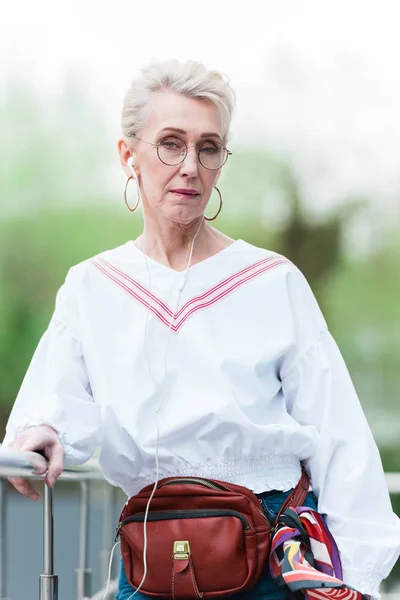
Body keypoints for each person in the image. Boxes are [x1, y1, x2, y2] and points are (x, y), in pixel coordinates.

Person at [3, 59, 400, 600]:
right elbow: (52, 406)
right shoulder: (91, 287)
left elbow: (339, 434)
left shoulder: (271, 280)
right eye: (171, 142)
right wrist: (41, 430)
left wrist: (355, 575)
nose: (190, 165)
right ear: (129, 155)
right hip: (151, 557)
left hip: (269, 557)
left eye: (209, 147)